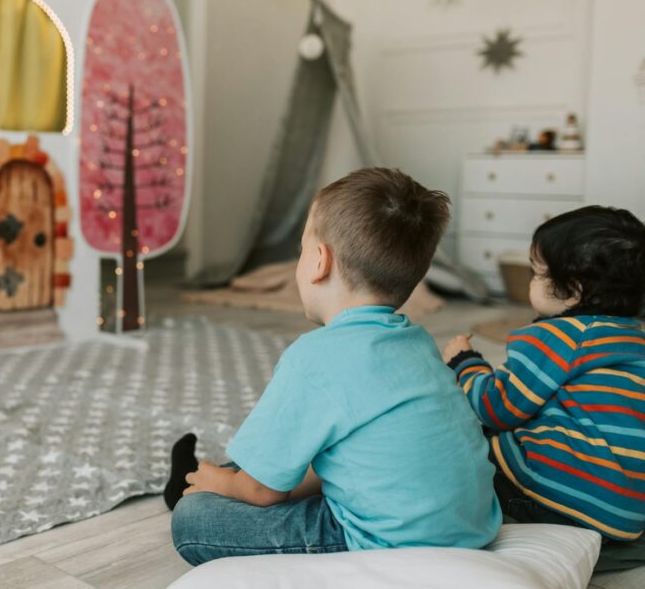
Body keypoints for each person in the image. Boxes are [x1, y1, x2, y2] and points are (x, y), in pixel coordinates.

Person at [167, 168, 501, 566]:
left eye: (302, 247)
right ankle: (204, 475)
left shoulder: (314, 357)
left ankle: (190, 485)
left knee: (195, 518)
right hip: (471, 526)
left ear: (319, 261)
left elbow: (261, 492)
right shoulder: (417, 342)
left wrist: (221, 484)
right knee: (289, 455)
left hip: (387, 541)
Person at [442, 206, 645, 572]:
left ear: (573, 292)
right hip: (626, 515)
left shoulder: (559, 336)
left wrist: (465, 363)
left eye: (537, 272)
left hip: (559, 499)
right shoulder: (633, 338)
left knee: (465, 437)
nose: (531, 280)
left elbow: (496, 406)